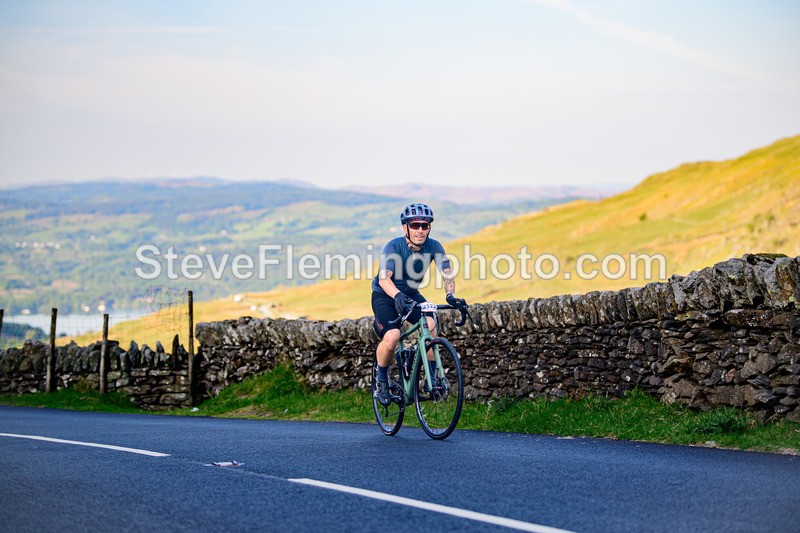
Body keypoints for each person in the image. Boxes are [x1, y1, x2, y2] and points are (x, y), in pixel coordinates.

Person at [370, 202, 468, 405]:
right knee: (393, 336)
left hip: (411, 294)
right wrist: (397, 296)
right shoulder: (393, 247)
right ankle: (381, 380)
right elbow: (383, 278)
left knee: (431, 325)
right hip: (385, 295)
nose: (420, 230)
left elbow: (447, 273)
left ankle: (430, 380)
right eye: (415, 225)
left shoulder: (434, 246)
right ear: (405, 227)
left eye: (425, 225)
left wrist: (451, 295)